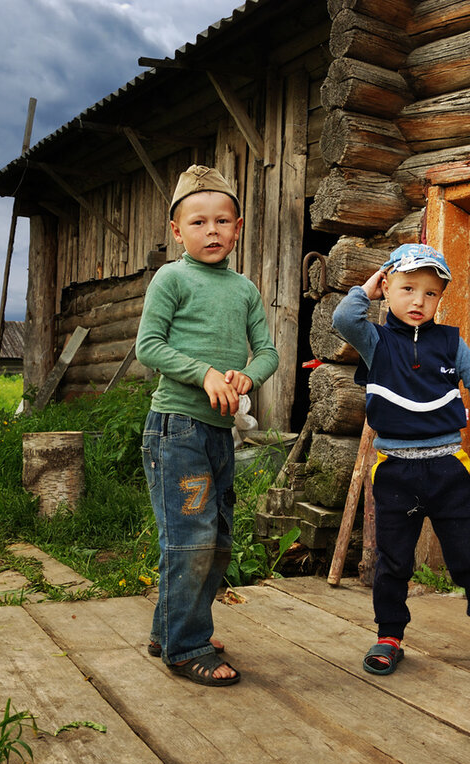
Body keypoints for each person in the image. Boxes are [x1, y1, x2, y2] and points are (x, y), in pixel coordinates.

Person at [332, 243, 470, 675]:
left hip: (446, 468)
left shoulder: (451, 343)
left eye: (431, 293)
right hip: (395, 469)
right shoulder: (375, 340)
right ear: (387, 286)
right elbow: (344, 318)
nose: (418, 301)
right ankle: (389, 635)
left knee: (469, 553)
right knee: (393, 558)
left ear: (440, 298)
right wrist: (369, 288)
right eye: (407, 288)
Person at [136, 165, 279, 686]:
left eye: (222, 221)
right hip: (176, 430)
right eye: (198, 222)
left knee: (215, 539)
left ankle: (171, 628)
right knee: (190, 537)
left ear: (238, 227)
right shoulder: (171, 278)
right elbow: (147, 346)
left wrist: (246, 375)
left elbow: (268, 352)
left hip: (219, 434)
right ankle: (185, 647)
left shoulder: (243, 289)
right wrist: (205, 374)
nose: (211, 231)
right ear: (177, 231)